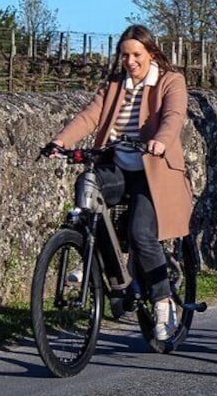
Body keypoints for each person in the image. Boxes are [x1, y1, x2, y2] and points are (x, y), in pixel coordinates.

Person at [42, 24, 193, 341]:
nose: (130, 61)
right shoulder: (114, 85)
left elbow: (173, 116)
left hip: (153, 174)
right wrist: (59, 142)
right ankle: (91, 256)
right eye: (124, 55)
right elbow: (89, 116)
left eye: (136, 54)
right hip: (118, 169)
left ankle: (163, 303)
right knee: (88, 182)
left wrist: (161, 141)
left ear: (150, 54)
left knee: (140, 232)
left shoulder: (170, 81)